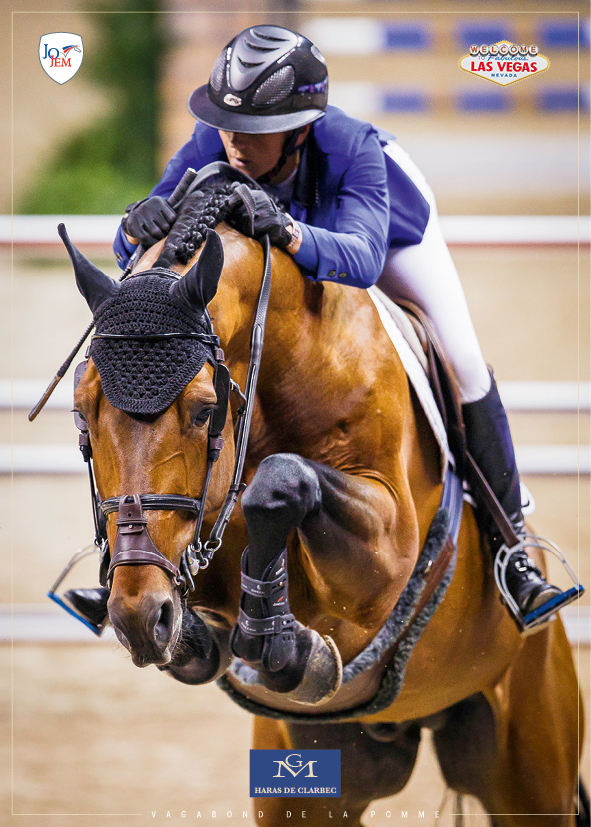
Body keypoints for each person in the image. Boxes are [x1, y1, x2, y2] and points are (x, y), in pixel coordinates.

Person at [73, 24, 578, 634]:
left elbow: (361, 259)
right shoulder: (218, 138)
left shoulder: (354, 148)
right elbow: (146, 254)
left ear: (301, 127)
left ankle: (511, 547)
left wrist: (288, 231)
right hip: (295, 237)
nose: (235, 142)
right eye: (230, 126)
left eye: (256, 132)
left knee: (462, 358)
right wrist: (134, 228)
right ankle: (130, 553)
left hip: (385, 234)